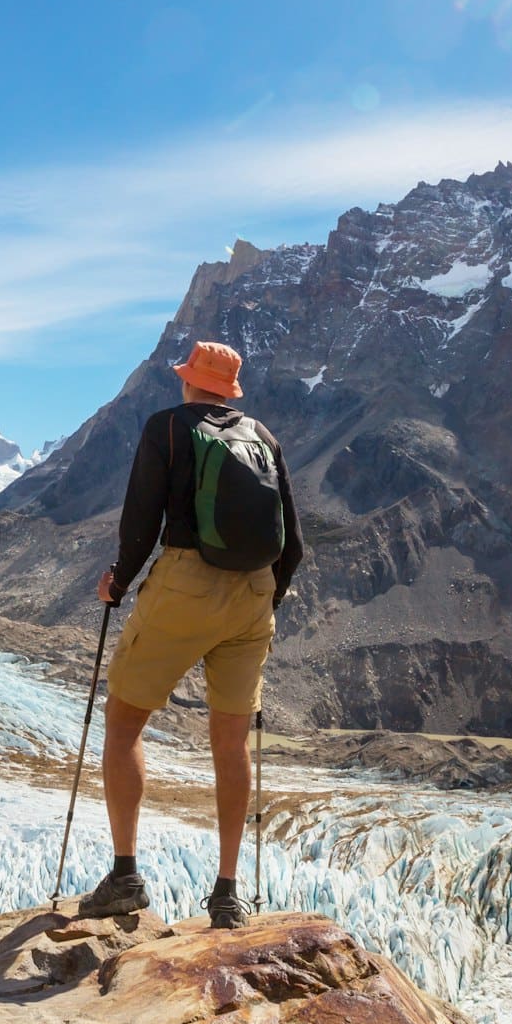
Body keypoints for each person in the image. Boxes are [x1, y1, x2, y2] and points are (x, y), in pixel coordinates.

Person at [73, 339, 304, 929]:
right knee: (230, 743)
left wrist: (117, 584)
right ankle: (227, 895)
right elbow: (294, 543)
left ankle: (125, 876)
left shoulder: (167, 429)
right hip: (253, 596)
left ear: (189, 381)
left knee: (124, 724)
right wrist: (262, 602)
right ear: (230, 389)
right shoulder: (264, 437)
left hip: (185, 585)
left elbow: (141, 521)